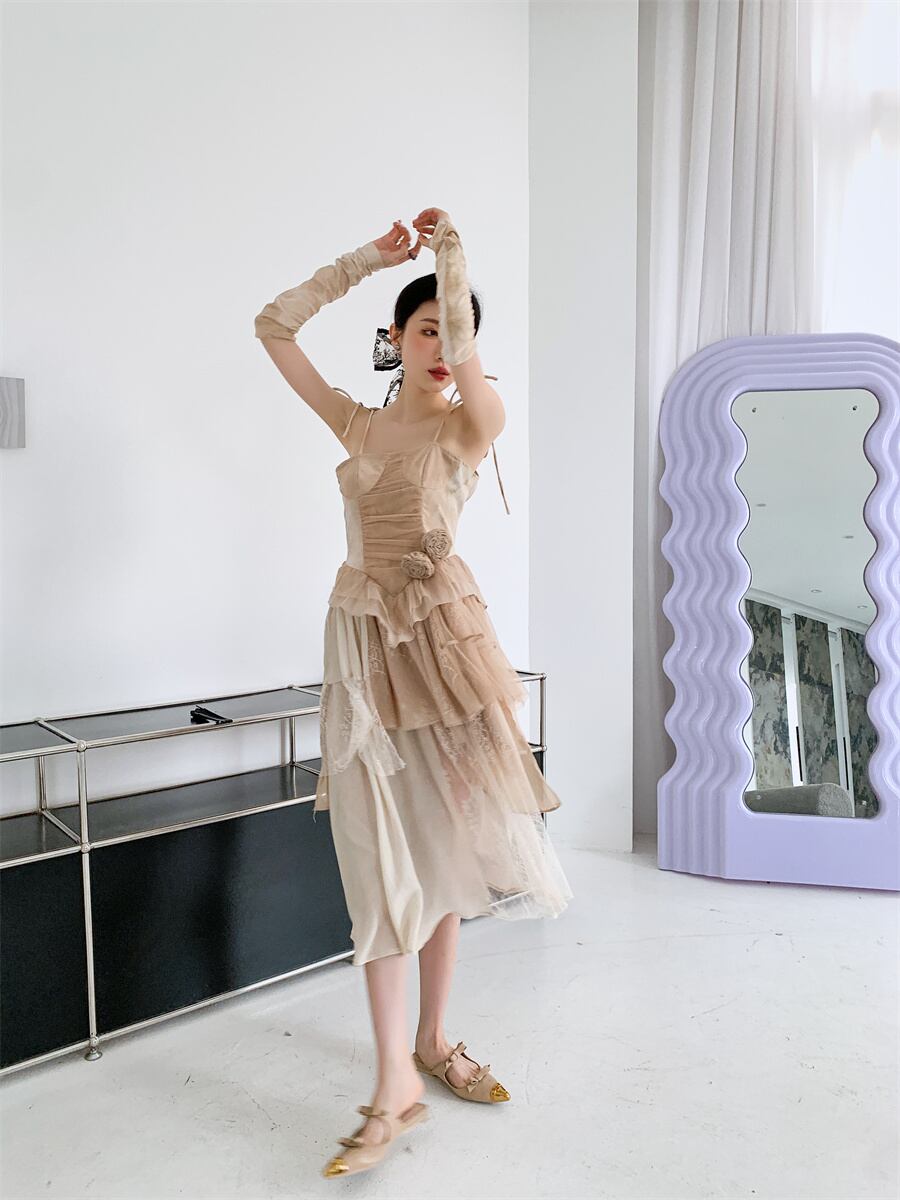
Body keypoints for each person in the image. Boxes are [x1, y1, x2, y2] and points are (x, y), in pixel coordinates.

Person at [254, 208, 573, 1178]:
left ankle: (428, 1047)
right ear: (396, 336)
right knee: (377, 861)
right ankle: (397, 1078)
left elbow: (467, 355)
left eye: (456, 330)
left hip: (440, 651)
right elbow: (273, 325)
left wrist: (452, 256)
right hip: (361, 647)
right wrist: (369, 259)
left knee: (437, 851)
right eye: (426, 328)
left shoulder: (473, 423)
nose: (443, 346)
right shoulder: (357, 421)